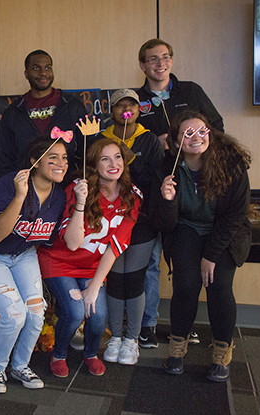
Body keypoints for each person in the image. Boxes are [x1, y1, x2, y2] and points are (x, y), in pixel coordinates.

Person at [136, 38, 224, 348]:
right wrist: (153, 141)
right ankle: (147, 324)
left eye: (164, 58)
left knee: (185, 265)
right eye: (152, 59)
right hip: (153, 189)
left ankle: (184, 325)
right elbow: (124, 142)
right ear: (143, 65)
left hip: (190, 190)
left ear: (171, 61)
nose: (159, 64)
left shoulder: (191, 91)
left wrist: (190, 145)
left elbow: (217, 128)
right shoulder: (136, 99)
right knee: (151, 261)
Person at [152, 111, 251, 382]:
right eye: (188, 133)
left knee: (219, 286)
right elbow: (165, 223)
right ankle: (177, 349)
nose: (196, 137)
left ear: (210, 133)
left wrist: (210, 255)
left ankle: (221, 352)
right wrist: (167, 199)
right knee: (185, 285)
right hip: (187, 229)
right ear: (175, 141)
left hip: (224, 232)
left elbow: (237, 214)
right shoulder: (167, 167)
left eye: (202, 131)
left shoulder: (231, 163)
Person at [0, 135, 68, 393]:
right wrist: (20, 196)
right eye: (53, 157)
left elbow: (47, 239)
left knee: (36, 314)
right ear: (34, 161)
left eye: (65, 158)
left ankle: (20, 365)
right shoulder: (11, 183)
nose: (61, 163)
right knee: (14, 315)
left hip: (23, 254)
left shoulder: (59, 196)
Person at [38, 138, 142, 377]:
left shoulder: (132, 196)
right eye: (105, 158)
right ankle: (60, 353)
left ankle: (90, 352)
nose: (113, 163)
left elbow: (114, 247)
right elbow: (73, 243)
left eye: (117, 157)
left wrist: (94, 287)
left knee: (97, 316)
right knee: (74, 312)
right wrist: (81, 203)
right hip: (60, 261)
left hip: (92, 267)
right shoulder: (78, 188)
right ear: (94, 165)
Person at [94, 89, 162, 365]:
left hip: (141, 221)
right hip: (109, 219)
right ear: (112, 110)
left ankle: (132, 338)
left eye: (131, 104)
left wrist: (131, 161)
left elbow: (155, 178)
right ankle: (116, 336)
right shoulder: (102, 139)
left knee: (135, 279)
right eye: (120, 104)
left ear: (139, 110)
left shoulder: (150, 140)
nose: (126, 109)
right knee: (114, 280)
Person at [0, 50, 88, 181]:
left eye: (48, 67)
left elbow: (88, 150)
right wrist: (7, 192)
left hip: (66, 188)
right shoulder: (13, 112)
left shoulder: (72, 106)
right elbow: (4, 159)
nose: (43, 73)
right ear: (26, 74)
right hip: (26, 190)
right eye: (36, 68)